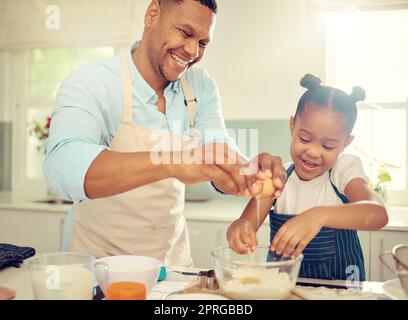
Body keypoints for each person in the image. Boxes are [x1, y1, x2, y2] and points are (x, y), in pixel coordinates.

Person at [43, 0, 286, 267]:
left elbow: (217, 153)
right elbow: (62, 167)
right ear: (152, 14)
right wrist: (172, 162)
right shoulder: (93, 83)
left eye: (203, 43)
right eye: (185, 32)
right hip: (101, 266)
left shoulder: (200, 87)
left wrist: (251, 171)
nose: (193, 51)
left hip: (170, 267)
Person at [226, 74, 389, 281]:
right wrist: (239, 230)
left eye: (328, 146)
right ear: (292, 125)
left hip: (340, 291)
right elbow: (245, 223)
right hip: (284, 286)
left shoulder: (342, 171)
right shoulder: (280, 178)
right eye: (305, 139)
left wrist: (318, 215)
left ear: (346, 142)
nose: (313, 152)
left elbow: (378, 214)